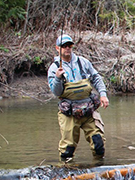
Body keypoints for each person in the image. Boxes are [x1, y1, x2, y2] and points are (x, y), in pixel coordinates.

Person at [47, 34, 110, 162]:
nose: (67, 48)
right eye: (64, 46)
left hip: (89, 111)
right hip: (69, 114)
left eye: (69, 45)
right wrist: (58, 78)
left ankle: (99, 168)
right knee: (67, 149)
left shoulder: (83, 62)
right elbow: (56, 92)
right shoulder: (54, 68)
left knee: (98, 144)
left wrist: (103, 94)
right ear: (57, 48)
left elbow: (96, 78)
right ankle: (67, 172)